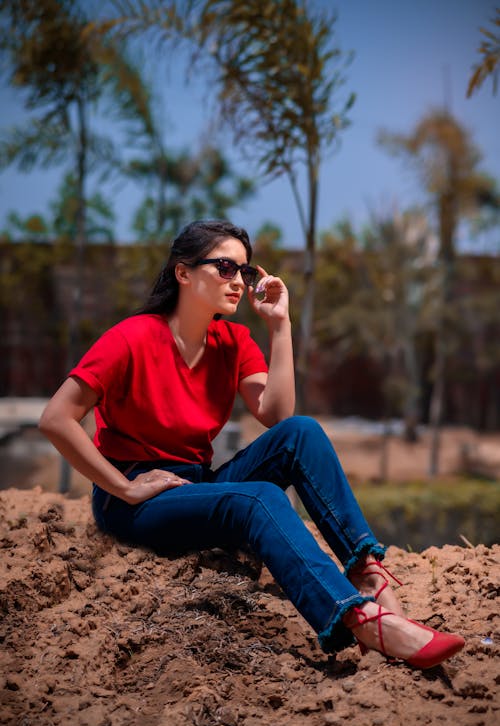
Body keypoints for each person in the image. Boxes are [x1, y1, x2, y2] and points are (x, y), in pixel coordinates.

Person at [39, 219, 464, 668]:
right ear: (183, 273)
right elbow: (56, 419)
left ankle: (368, 576)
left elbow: (278, 418)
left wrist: (281, 327)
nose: (239, 282)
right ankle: (360, 620)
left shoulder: (233, 341)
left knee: (302, 432)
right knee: (257, 498)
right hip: (134, 498)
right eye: (225, 267)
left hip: (197, 486)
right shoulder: (132, 337)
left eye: (244, 271)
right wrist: (123, 488)